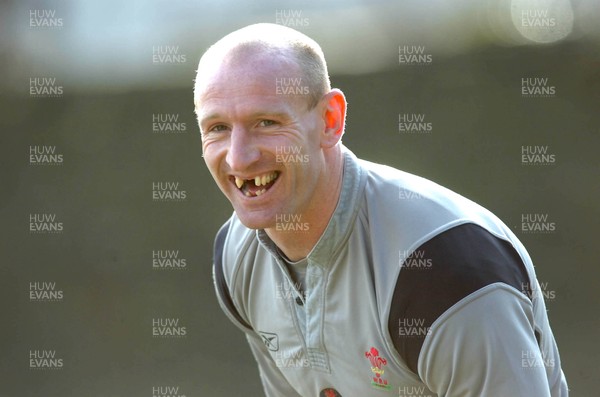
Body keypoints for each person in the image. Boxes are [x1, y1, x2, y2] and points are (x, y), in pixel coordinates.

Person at [193, 23, 568, 397]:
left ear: (330, 121)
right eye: (218, 128)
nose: (239, 157)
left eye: (266, 122)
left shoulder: (443, 270)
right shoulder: (237, 255)